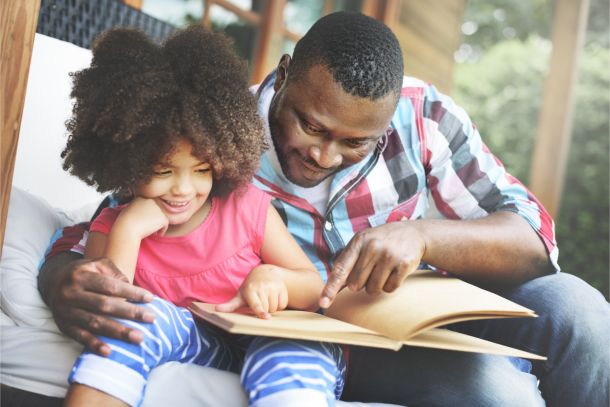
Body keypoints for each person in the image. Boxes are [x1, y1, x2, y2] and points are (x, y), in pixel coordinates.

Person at [38, 11, 608, 407]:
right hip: (339, 340)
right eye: (309, 124)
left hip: (431, 305)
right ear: (284, 76)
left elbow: (533, 240)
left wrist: (423, 238)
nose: (322, 153)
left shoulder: (425, 118)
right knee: (496, 391)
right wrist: (65, 277)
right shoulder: (216, 134)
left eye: (354, 142)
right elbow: (109, 220)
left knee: (581, 311)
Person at [56, 25, 345, 407]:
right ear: (125, 161)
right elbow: (109, 313)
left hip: (274, 337)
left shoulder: (246, 207)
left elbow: (313, 291)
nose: (183, 188)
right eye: (162, 171)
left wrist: (273, 277)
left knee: (289, 356)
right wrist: (127, 231)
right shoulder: (112, 227)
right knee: (135, 324)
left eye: (201, 169)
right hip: (204, 347)